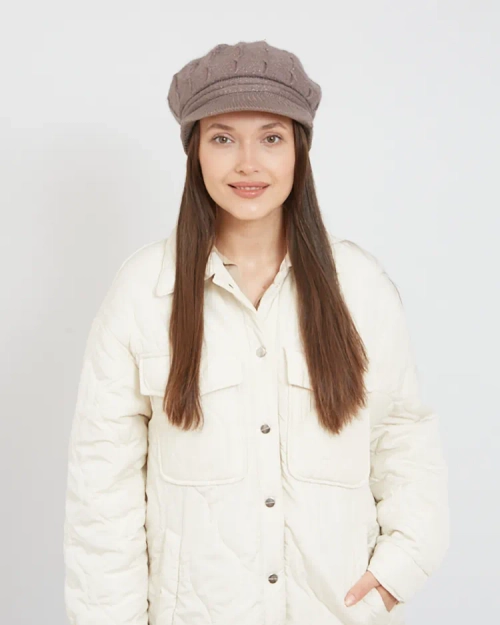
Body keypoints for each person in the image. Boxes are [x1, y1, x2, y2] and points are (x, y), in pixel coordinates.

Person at [63, 40, 450, 625]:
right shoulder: (143, 293)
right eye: (223, 139)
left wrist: (397, 573)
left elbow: (404, 438)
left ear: (299, 151)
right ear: (195, 152)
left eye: (271, 138)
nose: (248, 163)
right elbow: (102, 490)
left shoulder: (360, 288)